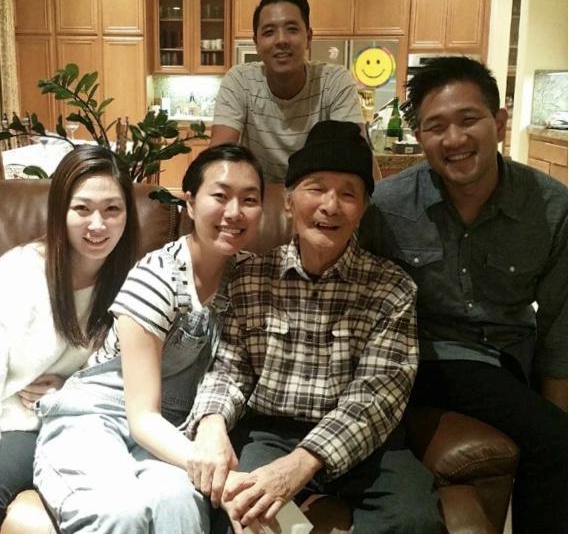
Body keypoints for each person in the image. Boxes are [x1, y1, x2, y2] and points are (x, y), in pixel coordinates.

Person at [188, 121, 443, 534]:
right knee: (245, 515)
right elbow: (230, 368)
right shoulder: (251, 278)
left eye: (348, 194)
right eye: (316, 188)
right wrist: (212, 422)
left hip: (365, 440)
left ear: (363, 209)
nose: (330, 205)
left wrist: (304, 462)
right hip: (270, 432)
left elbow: (377, 396)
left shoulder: (391, 288)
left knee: (415, 520)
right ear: (288, 202)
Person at [359, 56, 568, 534]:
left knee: (553, 439)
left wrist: (551, 413)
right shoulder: (389, 205)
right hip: (427, 358)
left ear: (499, 121)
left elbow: (559, 326)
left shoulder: (551, 207)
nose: (454, 139)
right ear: (420, 137)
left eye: (468, 119)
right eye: (436, 127)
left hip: (510, 360)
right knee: (555, 442)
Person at [33, 144, 265, 534]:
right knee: (118, 512)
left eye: (250, 200)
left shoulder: (254, 277)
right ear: (190, 203)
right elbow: (141, 417)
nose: (234, 212)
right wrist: (217, 473)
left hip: (171, 433)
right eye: (220, 196)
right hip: (97, 418)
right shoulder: (157, 275)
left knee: (179, 507)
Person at [0, 145, 139, 525]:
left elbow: (128, 379)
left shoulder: (134, 283)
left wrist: (69, 389)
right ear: (60, 211)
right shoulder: (19, 273)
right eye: (82, 209)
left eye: (112, 209)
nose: (98, 225)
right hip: (13, 421)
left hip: (79, 426)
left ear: (128, 214)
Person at [210, 0, 381, 183]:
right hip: (258, 195)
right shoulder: (240, 80)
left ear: (308, 37)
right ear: (256, 42)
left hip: (318, 194)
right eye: (269, 32)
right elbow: (218, 162)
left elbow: (357, 161)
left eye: (292, 29)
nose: (281, 40)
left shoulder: (334, 81)